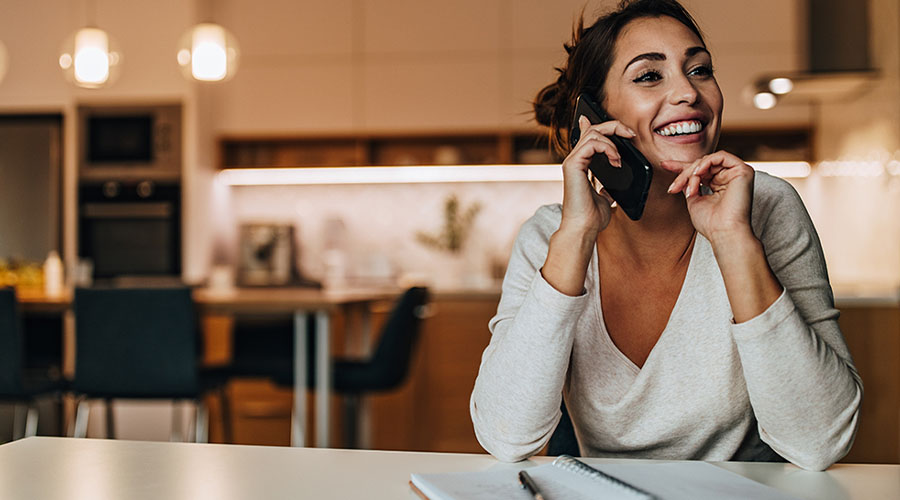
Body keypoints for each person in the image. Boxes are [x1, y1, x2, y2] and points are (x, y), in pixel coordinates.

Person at [469, 0, 861, 471]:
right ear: (592, 117)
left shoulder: (766, 208)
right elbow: (505, 436)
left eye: (699, 69)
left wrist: (734, 240)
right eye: (649, 76)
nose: (688, 92)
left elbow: (820, 441)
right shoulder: (550, 236)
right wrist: (575, 235)